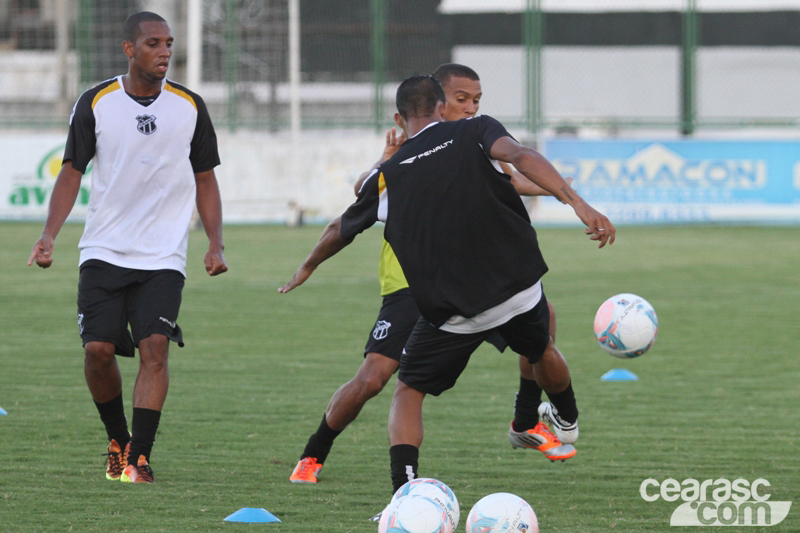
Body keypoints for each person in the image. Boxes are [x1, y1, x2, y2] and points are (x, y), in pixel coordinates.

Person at [278, 74, 615, 498]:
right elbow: (364, 189)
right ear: (441, 104)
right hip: (428, 288)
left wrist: (306, 266)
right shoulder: (454, 142)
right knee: (374, 379)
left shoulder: (453, 145)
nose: (471, 106)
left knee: (416, 386)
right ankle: (315, 452)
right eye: (462, 98)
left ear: (404, 117)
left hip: (452, 298)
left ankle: (496, 439)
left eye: (476, 99)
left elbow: (344, 222)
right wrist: (576, 201)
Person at [27, 11, 227, 484]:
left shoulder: (190, 106)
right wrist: (49, 233)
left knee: (155, 347)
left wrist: (215, 242)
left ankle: (140, 456)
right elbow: (72, 171)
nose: (164, 52)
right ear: (129, 49)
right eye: (154, 43)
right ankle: (117, 439)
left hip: (163, 255)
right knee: (97, 349)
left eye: (169, 44)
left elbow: (206, 178)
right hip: (103, 249)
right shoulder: (96, 102)